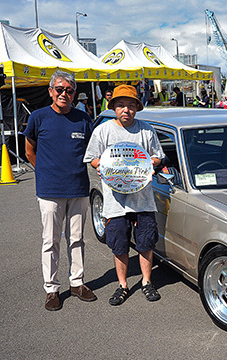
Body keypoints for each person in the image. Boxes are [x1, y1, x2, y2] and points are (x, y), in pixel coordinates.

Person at [84, 85, 165, 306]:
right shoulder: (103, 130)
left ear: (137, 108)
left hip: (143, 200)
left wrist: (149, 164)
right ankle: (123, 285)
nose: (126, 110)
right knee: (119, 245)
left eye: (130, 105)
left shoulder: (146, 130)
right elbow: (91, 157)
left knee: (145, 243)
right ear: (114, 108)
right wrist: (100, 164)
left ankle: (147, 282)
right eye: (121, 105)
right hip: (115, 202)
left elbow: (158, 157)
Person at [23, 70, 96, 311]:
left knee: (77, 239)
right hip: (50, 190)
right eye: (60, 89)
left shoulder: (83, 118)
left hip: (78, 189)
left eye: (69, 90)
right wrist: (44, 172)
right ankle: (51, 289)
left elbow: (91, 151)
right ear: (51, 91)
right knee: (50, 240)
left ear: (74, 93)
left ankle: (77, 283)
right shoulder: (38, 117)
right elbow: (29, 151)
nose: (64, 93)